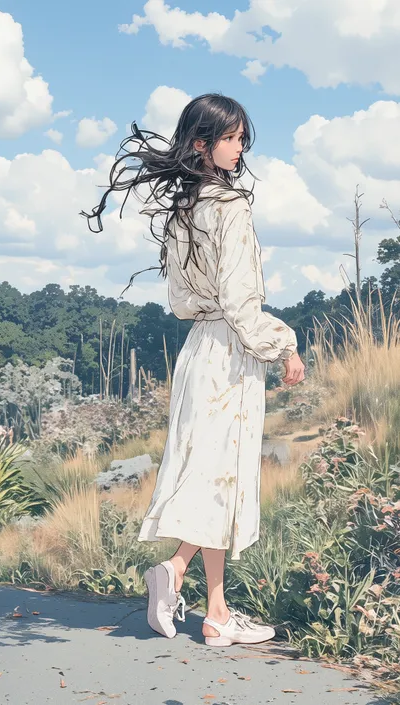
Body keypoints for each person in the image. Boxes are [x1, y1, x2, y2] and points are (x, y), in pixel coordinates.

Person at [80, 93, 305, 648]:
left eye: (242, 139)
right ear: (202, 143)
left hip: (197, 348)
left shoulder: (184, 211)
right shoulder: (229, 206)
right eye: (230, 138)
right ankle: (185, 581)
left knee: (210, 474)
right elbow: (240, 301)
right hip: (231, 349)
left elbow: (183, 300)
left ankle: (215, 611)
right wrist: (285, 345)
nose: (240, 148)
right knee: (221, 476)